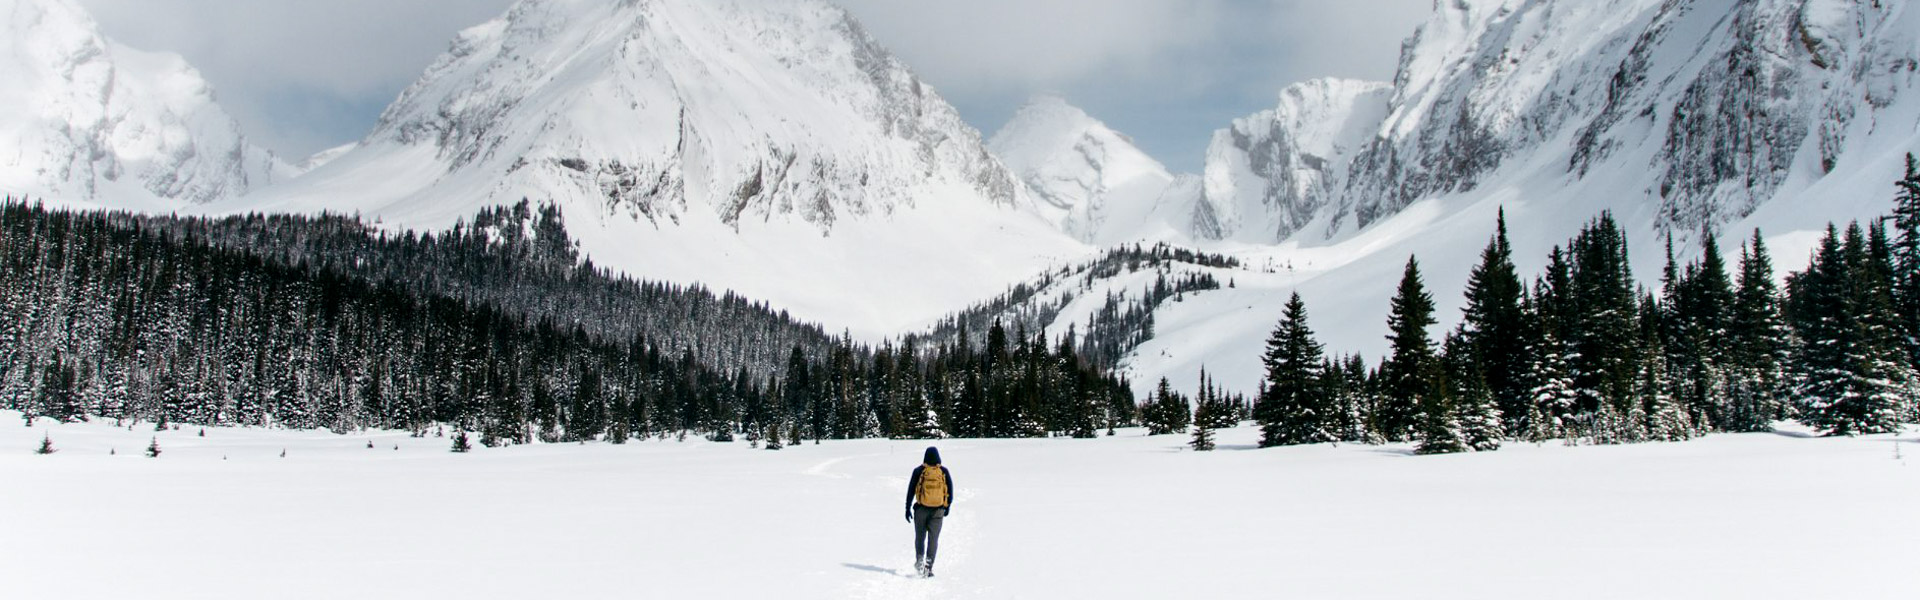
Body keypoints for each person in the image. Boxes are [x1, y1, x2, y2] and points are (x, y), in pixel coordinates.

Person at [904, 446, 952, 577]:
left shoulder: (919, 471)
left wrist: (907, 508)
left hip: (920, 510)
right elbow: (950, 491)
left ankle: (919, 560)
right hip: (938, 511)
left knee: (920, 537)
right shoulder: (943, 471)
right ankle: (928, 567)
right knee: (933, 539)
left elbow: (911, 491)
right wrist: (947, 507)